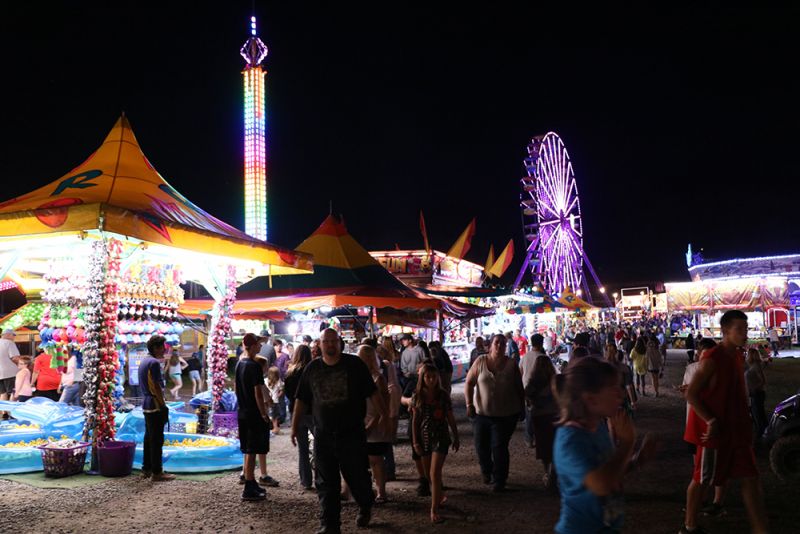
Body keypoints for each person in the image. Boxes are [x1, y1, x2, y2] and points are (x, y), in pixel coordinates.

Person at [291, 328, 389, 533]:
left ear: (339, 342)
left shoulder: (355, 365)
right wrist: (293, 427)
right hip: (323, 435)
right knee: (326, 483)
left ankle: (365, 504)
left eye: (333, 341)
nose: (330, 345)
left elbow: (373, 393)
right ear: (320, 344)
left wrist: (384, 417)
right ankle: (329, 524)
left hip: (351, 434)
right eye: (326, 341)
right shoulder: (312, 369)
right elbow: (301, 400)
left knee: (357, 477)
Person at [682, 310, 768, 534]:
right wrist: (710, 421)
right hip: (716, 434)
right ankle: (689, 526)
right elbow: (691, 394)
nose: (744, 333)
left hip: (738, 430)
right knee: (702, 479)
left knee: (750, 477)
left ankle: (760, 529)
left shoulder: (737, 356)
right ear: (725, 331)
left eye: (746, 328)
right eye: (739, 329)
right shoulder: (712, 358)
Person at [552, 357, 657, 533]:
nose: (621, 394)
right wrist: (627, 443)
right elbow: (601, 484)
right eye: (614, 389)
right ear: (591, 399)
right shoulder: (570, 440)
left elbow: (608, 469)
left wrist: (636, 461)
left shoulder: (598, 427)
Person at [464, 333, 524, 492]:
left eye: (503, 344)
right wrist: (469, 403)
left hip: (505, 416)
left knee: (499, 447)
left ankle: (500, 480)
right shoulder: (480, 361)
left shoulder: (511, 364)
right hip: (481, 415)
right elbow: (469, 383)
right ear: (490, 345)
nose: (500, 346)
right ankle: (487, 470)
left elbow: (519, 387)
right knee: (481, 445)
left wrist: (522, 407)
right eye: (497, 343)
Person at [412, 362, 460, 524]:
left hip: (441, 437)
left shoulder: (443, 395)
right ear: (422, 378)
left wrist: (456, 435)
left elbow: (450, 416)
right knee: (428, 475)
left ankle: (433, 509)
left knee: (434, 473)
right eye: (427, 377)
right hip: (424, 437)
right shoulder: (417, 395)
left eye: (433, 377)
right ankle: (438, 496)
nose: (431, 380)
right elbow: (415, 421)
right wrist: (415, 441)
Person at [235, 333, 271, 501]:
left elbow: (236, 387)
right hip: (253, 412)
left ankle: (251, 481)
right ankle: (249, 485)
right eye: (258, 343)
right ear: (253, 346)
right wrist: (264, 414)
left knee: (249, 448)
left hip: (243, 411)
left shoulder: (239, 364)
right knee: (252, 448)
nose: (261, 346)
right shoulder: (254, 366)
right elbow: (258, 392)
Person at [354, 344, 392, 504]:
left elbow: (383, 404)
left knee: (376, 460)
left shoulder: (378, 378)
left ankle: (381, 492)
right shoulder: (358, 377)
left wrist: (373, 423)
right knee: (362, 459)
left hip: (375, 424)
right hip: (361, 423)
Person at [139, 335, 175, 481]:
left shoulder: (144, 361)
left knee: (148, 438)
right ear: (155, 348)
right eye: (162, 347)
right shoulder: (153, 363)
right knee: (156, 440)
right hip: (154, 404)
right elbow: (157, 387)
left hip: (146, 403)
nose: (164, 350)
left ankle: (146, 469)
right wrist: (162, 405)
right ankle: (157, 472)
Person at [524, 353, 558, 488]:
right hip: (555, 415)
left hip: (539, 415)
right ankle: (554, 470)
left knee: (543, 445)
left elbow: (527, 395)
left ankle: (547, 471)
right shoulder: (555, 380)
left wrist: (534, 403)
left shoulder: (533, 382)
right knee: (554, 443)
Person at [284, 344, 314, 490]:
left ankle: (306, 480)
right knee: (320, 446)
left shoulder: (290, 373)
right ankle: (322, 478)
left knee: (302, 447)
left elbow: (288, 394)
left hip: (295, 412)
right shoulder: (312, 371)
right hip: (312, 412)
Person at [520, 334, 546, 448]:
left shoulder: (525, 357)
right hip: (540, 389)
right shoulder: (543, 357)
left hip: (527, 388)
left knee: (529, 414)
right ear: (541, 343)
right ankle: (539, 438)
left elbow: (519, 371)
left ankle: (529, 438)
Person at [745, 347, 768, 445]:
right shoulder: (754, 366)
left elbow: (763, 380)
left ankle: (760, 436)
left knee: (758, 415)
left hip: (757, 394)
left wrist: (754, 389)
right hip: (755, 393)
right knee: (759, 414)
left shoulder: (756, 366)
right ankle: (764, 433)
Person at [0, 328, 20, 418]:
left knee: (2, 393)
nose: (14, 338)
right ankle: (12, 412)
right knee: (12, 392)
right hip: (10, 372)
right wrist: (22, 366)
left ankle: (4, 412)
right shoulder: (9, 343)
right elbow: (15, 358)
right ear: (7, 335)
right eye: (13, 335)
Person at [265, 366, 284, 435]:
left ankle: (273, 428)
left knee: (270, 415)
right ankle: (275, 428)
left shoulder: (265, 380)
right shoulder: (279, 381)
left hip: (267, 401)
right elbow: (282, 390)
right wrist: (278, 395)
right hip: (275, 401)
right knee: (275, 416)